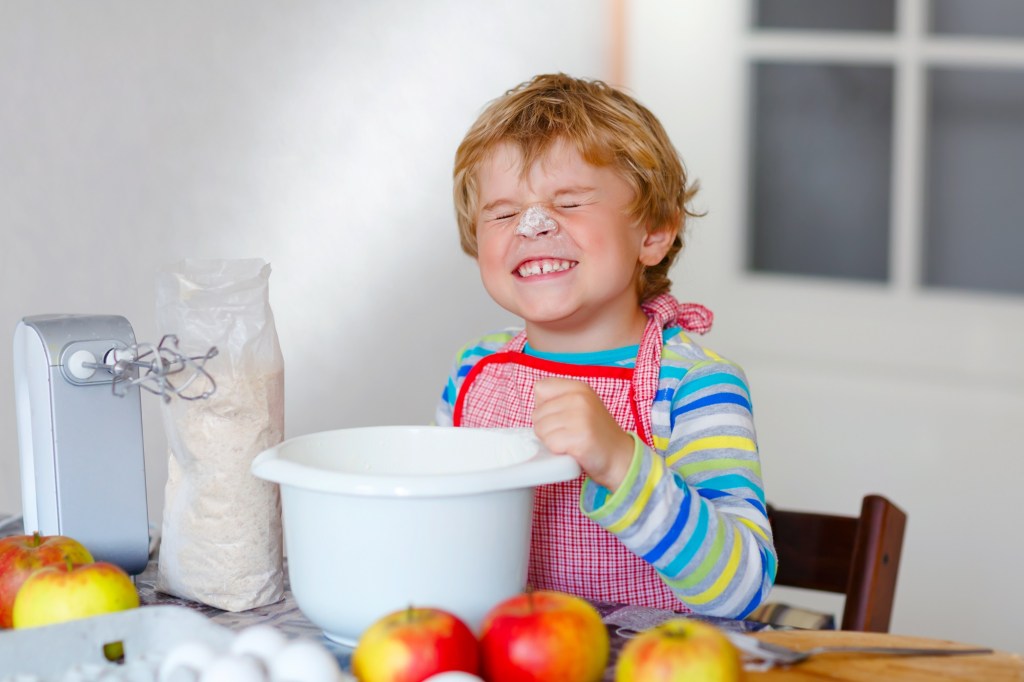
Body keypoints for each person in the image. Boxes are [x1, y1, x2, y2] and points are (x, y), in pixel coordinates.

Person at [434, 73, 775, 618]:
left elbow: (741, 589)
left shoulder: (694, 384)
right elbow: (440, 539)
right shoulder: (473, 373)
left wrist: (620, 460)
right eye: (502, 212)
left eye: (568, 202)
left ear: (654, 234)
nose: (533, 226)